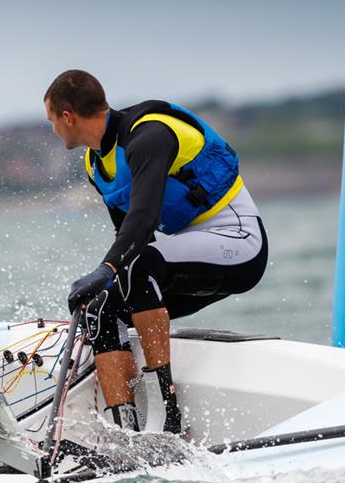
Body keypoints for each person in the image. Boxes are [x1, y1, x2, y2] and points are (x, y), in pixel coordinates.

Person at [44, 70, 268, 434]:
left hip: (240, 241)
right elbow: (128, 236)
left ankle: (169, 417)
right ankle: (127, 434)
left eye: (52, 121)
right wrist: (104, 287)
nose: (54, 130)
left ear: (67, 117)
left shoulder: (149, 135)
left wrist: (104, 271)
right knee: (102, 309)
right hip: (190, 249)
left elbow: (144, 219)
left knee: (136, 267)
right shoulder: (96, 165)